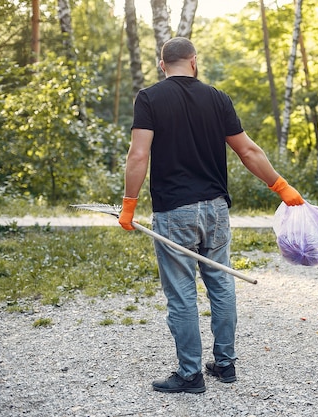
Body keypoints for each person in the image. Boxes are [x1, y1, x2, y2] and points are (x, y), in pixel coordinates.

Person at [118, 37, 304, 393]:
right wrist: (280, 186)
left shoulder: (149, 98)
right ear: (194, 61)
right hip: (216, 208)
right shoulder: (217, 98)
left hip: (175, 211)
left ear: (162, 65)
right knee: (221, 284)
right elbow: (248, 151)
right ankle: (225, 364)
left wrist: (129, 204)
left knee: (182, 293)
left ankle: (190, 375)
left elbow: (138, 156)